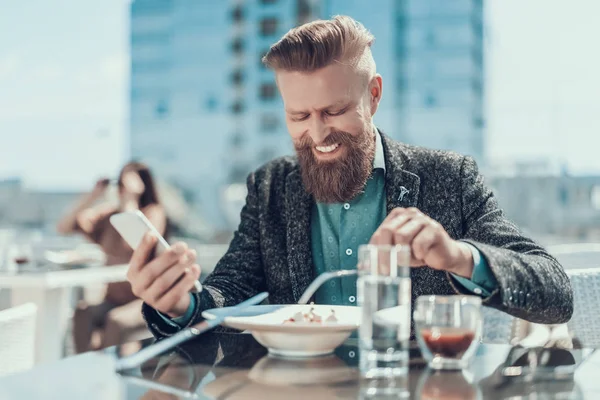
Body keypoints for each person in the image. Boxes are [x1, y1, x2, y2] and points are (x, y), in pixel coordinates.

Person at [126, 16, 573, 339]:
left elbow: (555, 291)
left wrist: (457, 256)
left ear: (373, 95)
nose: (317, 134)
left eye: (334, 111)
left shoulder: (448, 178)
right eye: (298, 115)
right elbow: (226, 294)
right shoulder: (269, 188)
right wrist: (178, 304)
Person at [57, 161, 167, 352]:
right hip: (113, 299)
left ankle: (109, 374)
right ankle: (86, 367)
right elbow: (64, 227)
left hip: (145, 300)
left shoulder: (154, 212)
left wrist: (130, 200)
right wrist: (93, 196)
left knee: (116, 320)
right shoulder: (110, 216)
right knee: (83, 312)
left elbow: (133, 244)